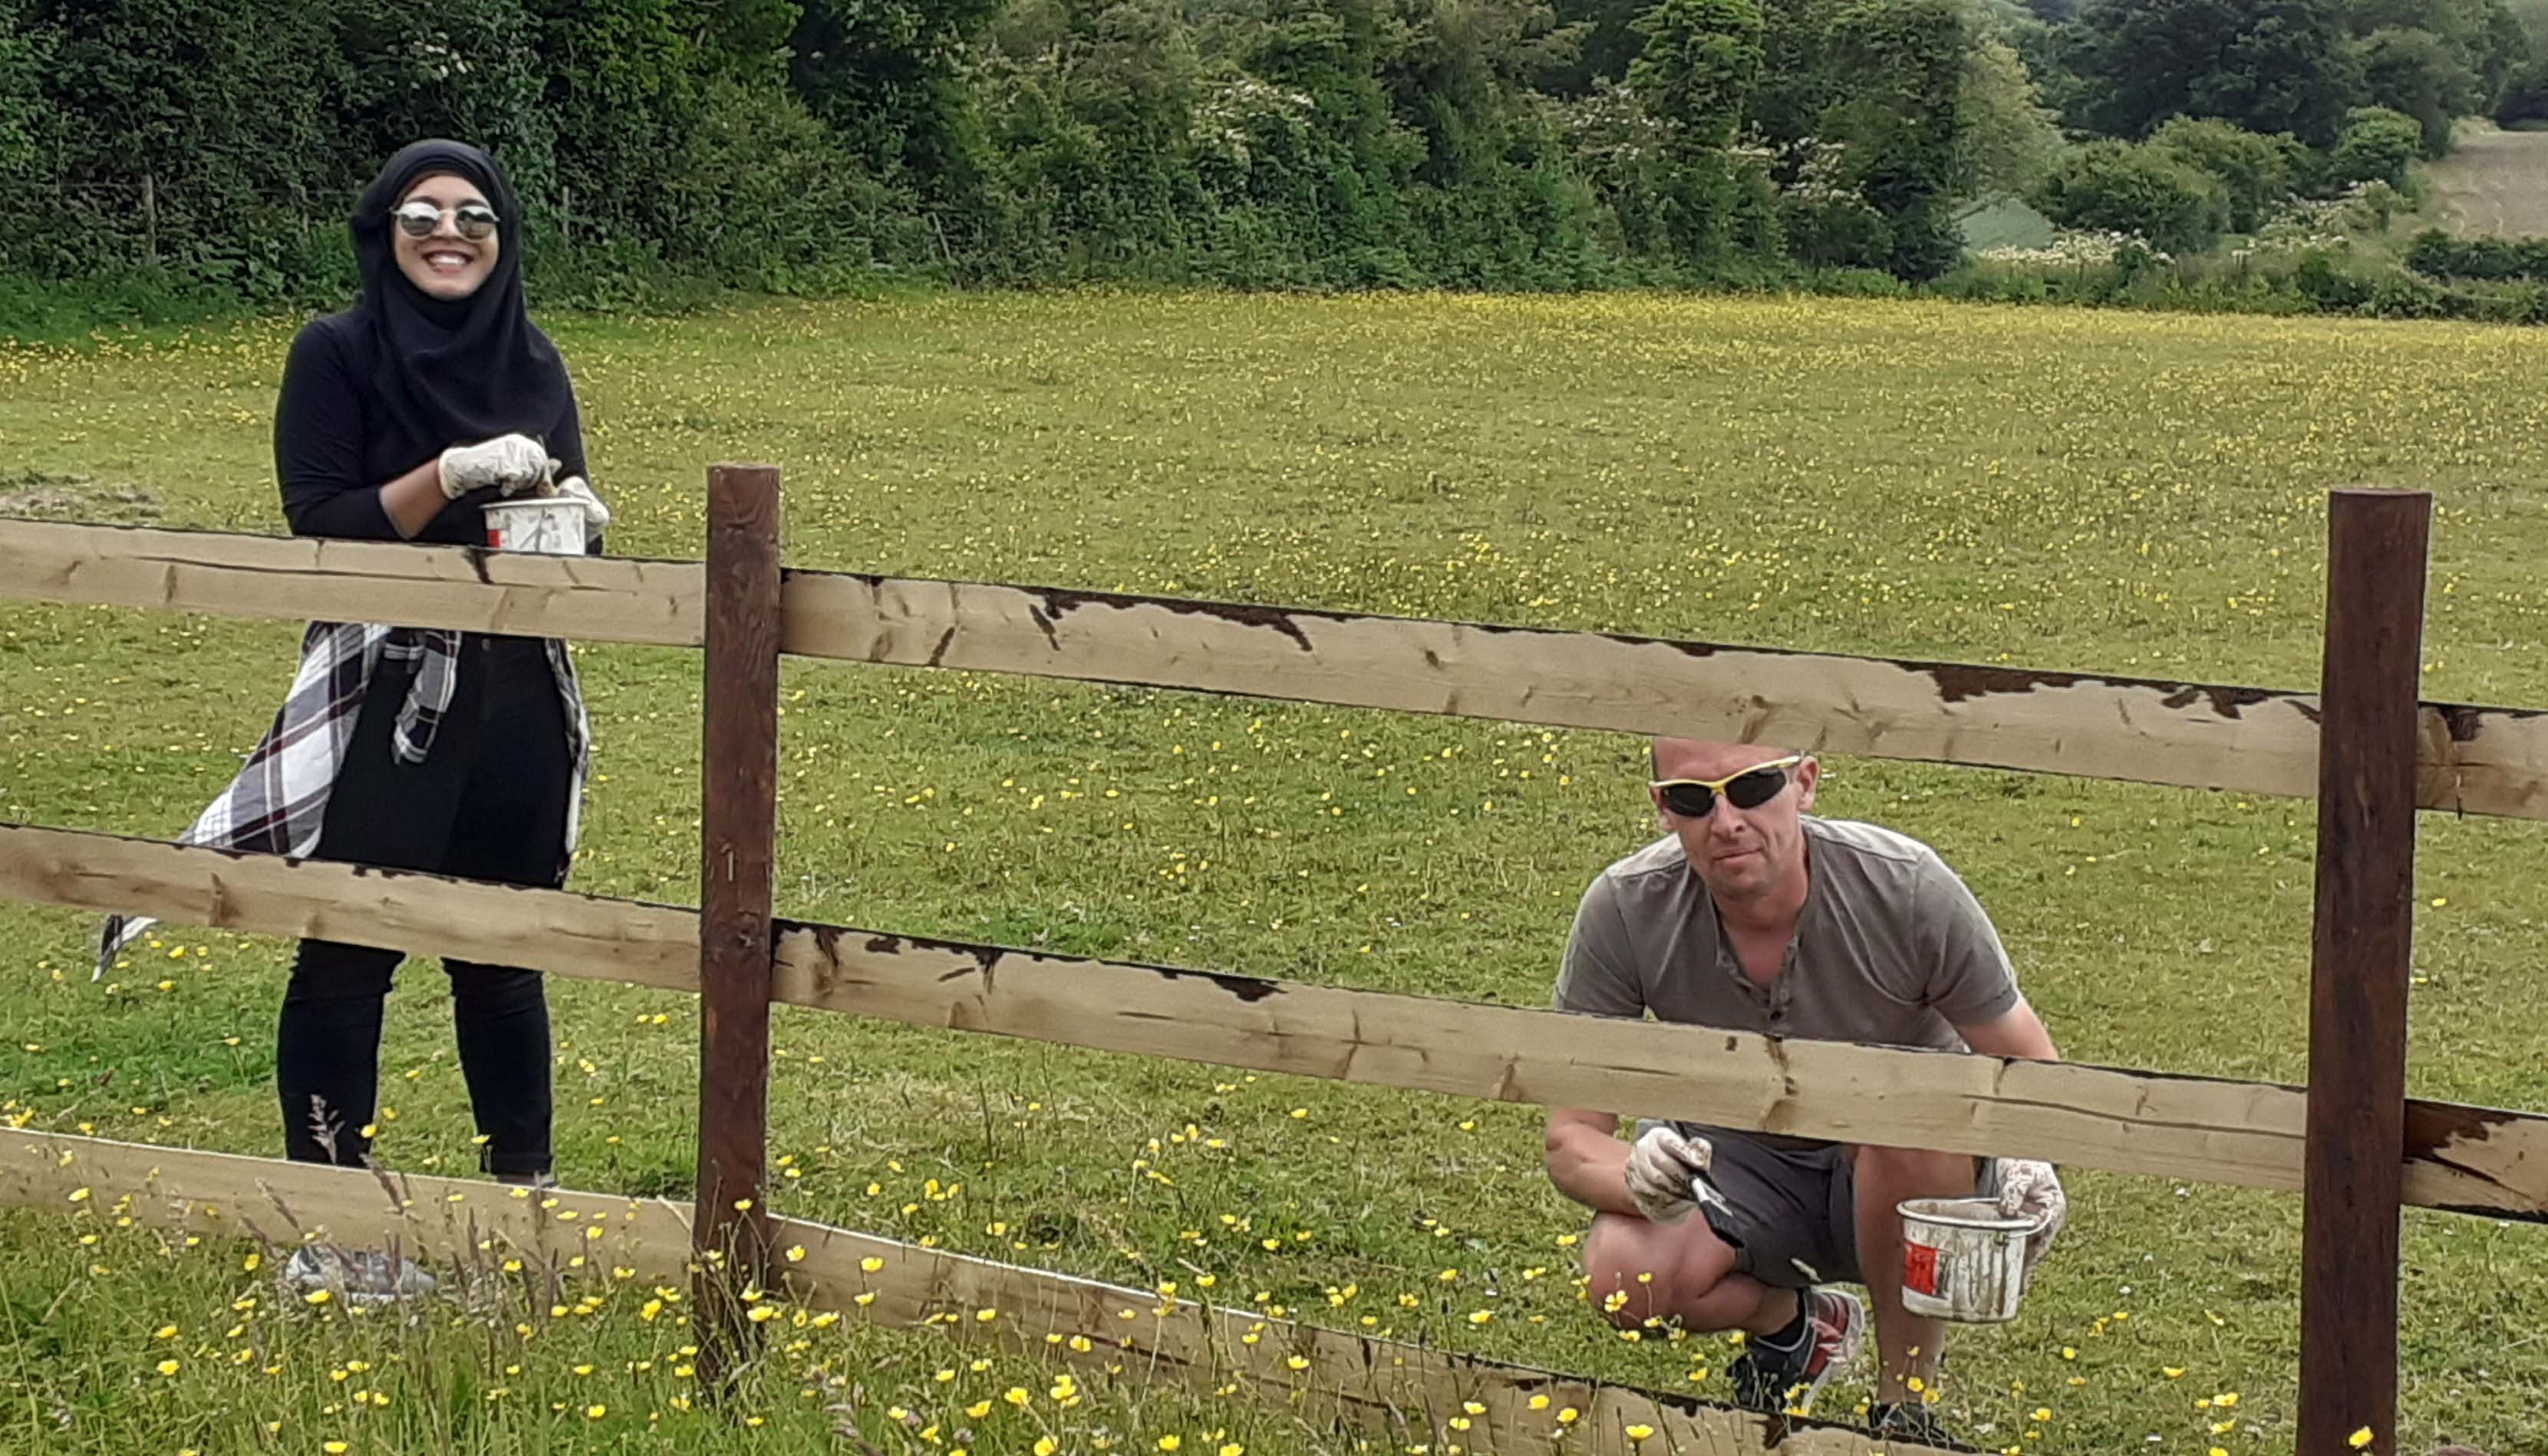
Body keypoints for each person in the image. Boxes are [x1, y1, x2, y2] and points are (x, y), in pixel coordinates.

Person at [98, 140, 608, 1190]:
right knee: (347, 950)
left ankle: (528, 1208)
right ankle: (333, 1223)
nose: (449, 234)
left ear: (503, 239)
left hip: (517, 687)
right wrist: (446, 474)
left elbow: (552, 539)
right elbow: (321, 520)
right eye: (421, 215)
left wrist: (577, 529)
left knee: (503, 946)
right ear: (383, 231)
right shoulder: (335, 351)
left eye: (475, 215)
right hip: (382, 688)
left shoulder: (537, 362)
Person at [1543, 738, 2067, 1444]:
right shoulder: (1625, 906)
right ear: (1663, 809)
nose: (1726, 820)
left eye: (1753, 788)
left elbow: (2030, 1066)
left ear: (1805, 783)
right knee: (1622, 1276)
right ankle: (1796, 1327)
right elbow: (1570, 1138)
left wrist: (2032, 1164)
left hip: (1907, 1167)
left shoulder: (1905, 886)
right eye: (1696, 799)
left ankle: (1902, 1409)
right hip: (1733, 1161)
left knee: (1905, 1117)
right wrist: (1639, 1177)